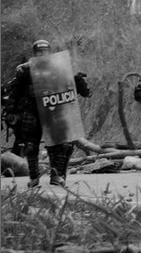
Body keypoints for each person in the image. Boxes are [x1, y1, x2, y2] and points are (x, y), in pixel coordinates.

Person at [5, 40, 92, 187]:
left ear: (49, 52)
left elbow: (76, 89)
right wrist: (11, 112)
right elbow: (15, 93)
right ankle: (33, 177)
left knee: (63, 145)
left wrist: (78, 81)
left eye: (45, 52)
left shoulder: (59, 68)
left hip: (53, 110)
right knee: (30, 145)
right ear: (34, 53)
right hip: (31, 111)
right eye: (39, 52)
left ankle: (56, 176)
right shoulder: (25, 70)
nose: (42, 55)